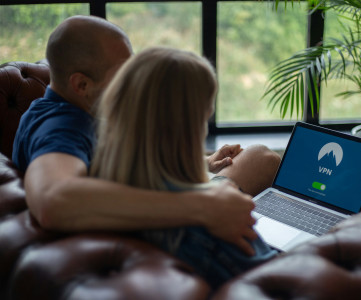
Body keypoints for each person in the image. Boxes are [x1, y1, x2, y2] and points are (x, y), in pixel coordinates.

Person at [12, 15, 281, 256]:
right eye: (124, 75)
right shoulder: (59, 128)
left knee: (260, 157)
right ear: (81, 84)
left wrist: (204, 163)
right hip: (164, 234)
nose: (134, 83)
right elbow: (52, 200)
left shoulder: (84, 111)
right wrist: (202, 205)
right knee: (261, 160)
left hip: (163, 210)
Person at [90, 46, 278, 287]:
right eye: (205, 116)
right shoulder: (214, 220)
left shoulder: (99, 189)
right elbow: (276, 283)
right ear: (190, 127)